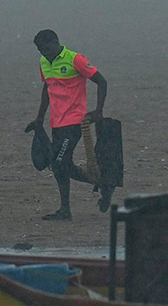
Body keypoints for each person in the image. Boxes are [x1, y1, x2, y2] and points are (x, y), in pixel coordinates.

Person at [28, 29, 108, 220]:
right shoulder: (44, 63)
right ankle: (102, 183)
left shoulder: (75, 59)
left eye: (46, 49)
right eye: (40, 51)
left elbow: (102, 81)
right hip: (56, 122)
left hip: (74, 121)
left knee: (58, 163)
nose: (44, 54)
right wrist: (39, 118)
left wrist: (98, 111)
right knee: (63, 165)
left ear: (56, 42)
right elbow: (47, 88)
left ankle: (65, 210)